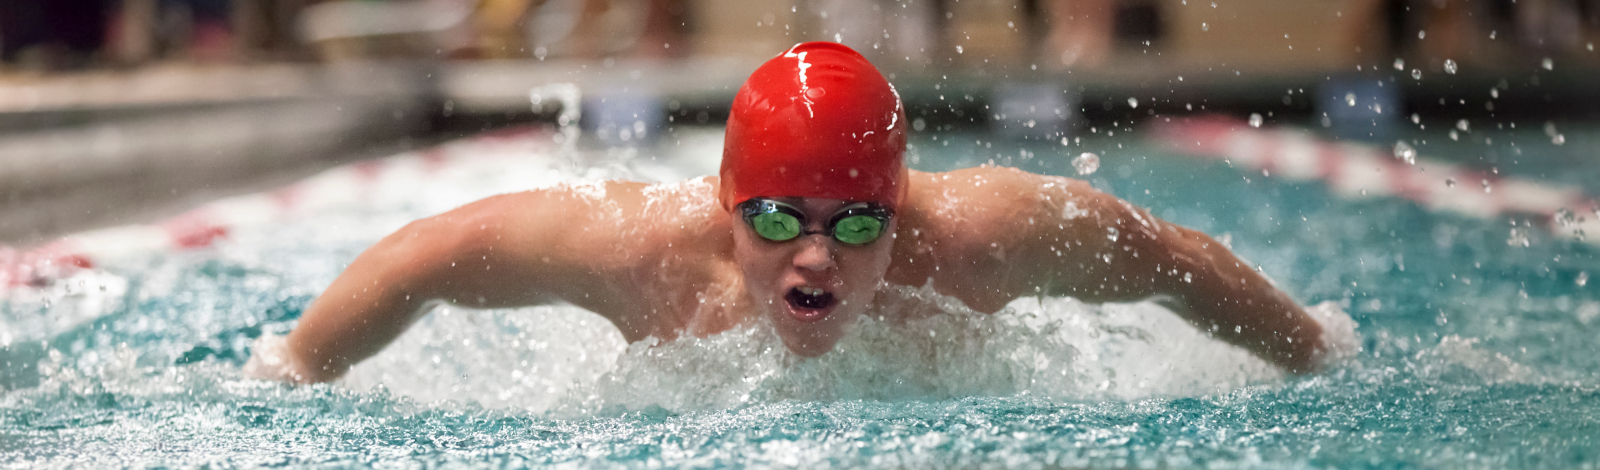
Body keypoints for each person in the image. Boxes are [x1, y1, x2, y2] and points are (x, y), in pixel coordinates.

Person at [245, 42, 1354, 384]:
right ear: (728, 202)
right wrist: (290, 371)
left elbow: (1174, 259)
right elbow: (421, 255)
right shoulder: (642, 253)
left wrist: (1311, 353)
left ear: (901, 205)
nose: (814, 254)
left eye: (853, 222)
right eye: (777, 219)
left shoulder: (989, 233)